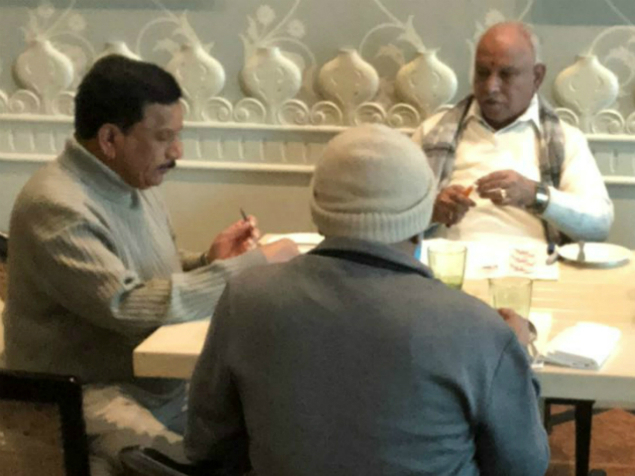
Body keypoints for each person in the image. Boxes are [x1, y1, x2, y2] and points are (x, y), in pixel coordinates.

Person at [185, 124, 549, 476]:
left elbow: (207, 446)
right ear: (422, 217)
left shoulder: (245, 298)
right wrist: (512, 356)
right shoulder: (478, 329)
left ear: (318, 211)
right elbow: (523, 466)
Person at [1, 55, 297, 475]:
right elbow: (125, 305)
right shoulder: (55, 205)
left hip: (156, 385)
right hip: (86, 395)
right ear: (110, 138)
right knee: (201, 465)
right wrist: (247, 268)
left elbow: (145, 274)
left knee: (273, 426)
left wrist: (208, 261)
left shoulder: (131, 179)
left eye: (177, 136)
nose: (177, 152)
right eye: (163, 137)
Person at [413, 21, 613, 246]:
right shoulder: (432, 132)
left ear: (537, 77)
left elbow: (599, 225)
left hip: (535, 264)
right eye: (483, 73)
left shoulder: (567, 140)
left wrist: (535, 195)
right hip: (447, 264)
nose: (490, 87)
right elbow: (390, 219)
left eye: (506, 75)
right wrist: (431, 212)